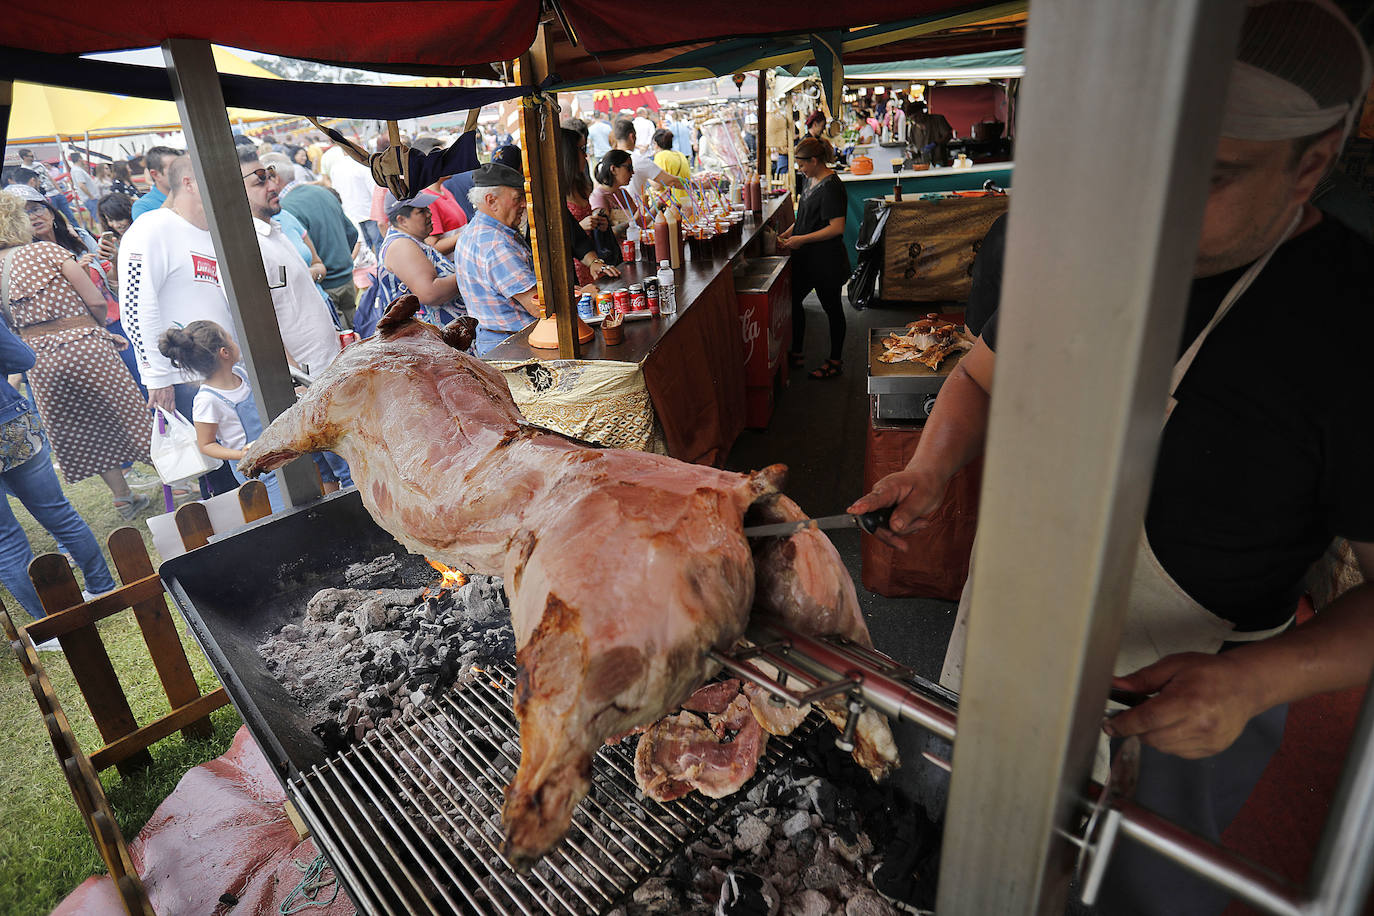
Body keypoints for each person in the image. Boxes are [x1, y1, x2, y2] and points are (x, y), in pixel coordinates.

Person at [851, 4, 1374, 914]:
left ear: (1313, 163)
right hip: (1003, 644)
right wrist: (933, 467)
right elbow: (979, 376)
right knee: (941, 856)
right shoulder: (1081, 240)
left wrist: (1259, 683)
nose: (1151, 205)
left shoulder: (1351, 329)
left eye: (1206, 176)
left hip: (1186, 709)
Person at [0, 191, 152, 520]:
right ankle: (177, 481)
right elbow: (97, 302)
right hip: (85, 345)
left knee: (81, 428)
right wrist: (94, 329)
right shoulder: (47, 250)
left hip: (38, 360)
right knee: (130, 414)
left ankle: (122, 498)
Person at [118, 155, 239, 497]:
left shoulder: (212, 231)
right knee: (219, 475)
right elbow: (135, 305)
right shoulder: (152, 228)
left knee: (246, 463)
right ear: (188, 182)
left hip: (231, 369)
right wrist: (157, 376)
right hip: (188, 379)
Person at [0, 314, 118, 647]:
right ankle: (101, 587)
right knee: (57, 512)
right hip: (9, 425)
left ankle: (51, 627)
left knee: (5, 541)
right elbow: (22, 358)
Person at [159, 321, 283, 512]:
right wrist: (241, 454)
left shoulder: (244, 374)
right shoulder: (207, 400)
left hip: (279, 452)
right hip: (257, 472)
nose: (235, 343)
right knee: (281, 510)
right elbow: (206, 444)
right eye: (231, 339)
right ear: (224, 352)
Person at [777, 136, 848, 379]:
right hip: (806, 259)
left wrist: (802, 239)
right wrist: (790, 232)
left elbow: (836, 227)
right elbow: (806, 217)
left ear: (815, 160)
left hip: (826, 260)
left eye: (802, 164)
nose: (800, 169)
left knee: (833, 309)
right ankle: (797, 351)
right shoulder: (810, 181)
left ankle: (835, 361)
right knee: (794, 300)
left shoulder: (832, 186)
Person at [453, 162, 541, 355]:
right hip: (514, 346)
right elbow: (538, 306)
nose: (524, 205)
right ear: (491, 201)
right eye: (518, 198)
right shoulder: (496, 244)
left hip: (495, 341)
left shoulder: (476, 230)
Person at [277, 158, 360, 327]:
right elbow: (352, 232)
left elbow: (301, 254)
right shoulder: (323, 192)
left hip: (326, 284)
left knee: (346, 343)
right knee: (358, 334)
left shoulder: (286, 208)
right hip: (346, 279)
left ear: (276, 179)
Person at [376, 190, 466, 328]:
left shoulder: (410, 240)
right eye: (421, 211)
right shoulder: (400, 245)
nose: (429, 214)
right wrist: (468, 273)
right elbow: (430, 293)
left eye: (427, 209)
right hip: (431, 340)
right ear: (402, 220)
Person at [94, 193, 145, 395]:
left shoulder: (141, 232)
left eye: (120, 217)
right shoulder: (115, 242)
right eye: (111, 219)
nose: (117, 223)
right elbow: (117, 280)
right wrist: (114, 258)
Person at [556, 127, 620, 289]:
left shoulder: (581, 184)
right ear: (567, 153)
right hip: (576, 266)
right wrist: (581, 226)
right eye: (582, 149)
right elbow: (570, 233)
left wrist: (600, 224)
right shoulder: (554, 195)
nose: (586, 155)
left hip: (591, 258)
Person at [611, 119, 686, 209]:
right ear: (632, 136)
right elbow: (671, 181)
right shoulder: (639, 160)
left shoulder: (604, 161)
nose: (632, 173)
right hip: (636, 216)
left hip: (619, 217)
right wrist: (701, 185)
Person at [16, 149, 80, 230]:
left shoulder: (38, 164)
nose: (33, 158)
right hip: (46, 196)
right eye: (31, 156)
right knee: (54, 217)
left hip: (56, 193)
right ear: (24, 157)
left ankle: (79, 231)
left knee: (70, 215)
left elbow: (49, 177)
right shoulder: (24, 169)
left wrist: (59, 190)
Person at [589, 150, 637, 241]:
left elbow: (640, 222)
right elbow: (604, 235)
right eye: (629, 168)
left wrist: (657, 205)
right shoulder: (599, 197)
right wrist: (633, 221)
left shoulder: (623, 193)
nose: (633, 172)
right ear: (613, 169)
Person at [130, 146, 183, 221]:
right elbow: (152, 230)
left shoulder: (193, 195)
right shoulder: (142, 206)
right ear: (155, 174)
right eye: (174, 169)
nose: (182, 172)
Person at [651, 128, 692, 206]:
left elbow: (658, 186)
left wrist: (647, 175)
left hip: (672, 203)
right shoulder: (680, 155)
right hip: (687, 201)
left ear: (655, 144)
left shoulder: (661, 156)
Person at [68, 154, 102, 229]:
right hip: (90, 198)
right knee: (99, 219)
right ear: (79, 159)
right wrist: (91, 196)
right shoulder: (77, 171)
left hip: (91, 197)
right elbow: (81, 185)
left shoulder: (77, 170)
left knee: (98, 218)